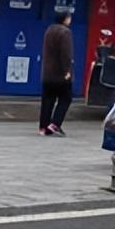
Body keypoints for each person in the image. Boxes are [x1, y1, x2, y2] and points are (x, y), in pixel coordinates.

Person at [38, 8, 74, 137]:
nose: (70, 19)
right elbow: (65, 54)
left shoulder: (49, 30)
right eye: (69, 17)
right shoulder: (65, 32)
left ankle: (43, 126)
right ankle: (55, 124)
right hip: (60, 74)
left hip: (47, 74)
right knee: (66, 98)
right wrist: (67, 71)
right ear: (64, 18)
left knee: (47, 100)